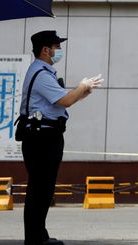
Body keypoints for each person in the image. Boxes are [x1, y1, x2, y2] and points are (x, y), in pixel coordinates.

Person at [20, 30, 103, 245]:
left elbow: (63, 101)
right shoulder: (41, 73)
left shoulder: (43, 72)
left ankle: (39, 234)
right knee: (40, 188)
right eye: (57, 47)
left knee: (43, 188)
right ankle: (35, 238)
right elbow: (64, 101)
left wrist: (84, 91)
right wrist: (82, 86)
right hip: (42, 137)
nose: (59, 51)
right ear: (46, 50)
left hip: (47, 134)